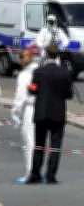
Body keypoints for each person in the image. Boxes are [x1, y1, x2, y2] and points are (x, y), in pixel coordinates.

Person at [26, 44, 73, 184]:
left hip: (41, 111)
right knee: (55, 145)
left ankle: (35, 173)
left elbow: (33, 90)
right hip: (58, 113)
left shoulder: (38, 71)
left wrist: (31, 88)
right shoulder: (64, 73)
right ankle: (51, 175)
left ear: (46, 54)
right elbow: (69, 94)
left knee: (39, 144)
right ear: (57, 55)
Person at [10, 49, 40, 184]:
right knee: (40, 143)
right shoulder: (40, 70)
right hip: (42, 108)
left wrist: (15, 113)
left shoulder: (23, 75)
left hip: (29, 108)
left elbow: (20, 97)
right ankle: (38, 171)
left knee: (28, 143)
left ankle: (30, 172)